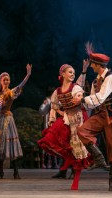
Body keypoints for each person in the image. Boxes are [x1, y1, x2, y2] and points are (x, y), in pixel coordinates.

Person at [74, 42, 112, 191]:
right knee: (82, 131)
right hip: (101, 114)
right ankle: (99, 158)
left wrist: (83, 99)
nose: (91, 66)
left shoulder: (111, 78)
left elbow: (101, 96)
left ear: (98, 65)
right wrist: (80, 103)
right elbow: (93, 101)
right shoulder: (96, 81)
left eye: (93, 64)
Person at [38, 61, 92, 190]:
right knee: (53, 137)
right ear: (62, 74)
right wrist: (53, 118)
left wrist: (83, 72)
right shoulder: (57, 91)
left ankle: (75, 182)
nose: (72, 74)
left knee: (77, 149)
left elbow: (79, 89)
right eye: (70, 72)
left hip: (78, 120)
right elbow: (54, 106)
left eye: (74, 72)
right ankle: (66, 164)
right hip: (67, 119)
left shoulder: (76, 88)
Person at [0, 64, 32, 179]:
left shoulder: (10, 92)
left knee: (10, 144)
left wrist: (28, 74)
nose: (6, 81)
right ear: (0, 81)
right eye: (4, 79)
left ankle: (16, 171)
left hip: (7, 120)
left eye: (8, 80)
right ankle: (0, 171)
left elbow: (20, 86)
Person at [38, 88, 60, 170]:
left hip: (52, 125)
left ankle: (52, 163)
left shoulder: (54, 101)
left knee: (53, 144)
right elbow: (41, 111)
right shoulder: (47, 102)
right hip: (47, 125)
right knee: (49, 144)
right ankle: (47, 163)